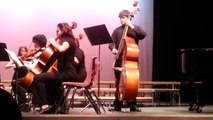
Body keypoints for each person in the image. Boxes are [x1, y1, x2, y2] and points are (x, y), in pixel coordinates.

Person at [30, 22, 78, 114]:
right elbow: (53, 55)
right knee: (46, 79)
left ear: (64, 30)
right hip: (63, 72)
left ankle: (44, 104)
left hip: (68, 73)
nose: (56, 32)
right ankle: (54, 105)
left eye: (57, 30)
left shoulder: (68, 40)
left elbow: (62, 49)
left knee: (38, 78)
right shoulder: (63, 40)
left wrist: (53, 42)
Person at [108, 9, 146, 112]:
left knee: (131, 83)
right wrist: (113, 48)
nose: (121, 20)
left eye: (122, 18)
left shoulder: (135, 28)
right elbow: (111, 43)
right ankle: (118, 104)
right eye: (120, 18)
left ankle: (132, 104)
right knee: (118, 83)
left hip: (130, 60)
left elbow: (143, 35)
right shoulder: (117, 30)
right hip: (119, 59)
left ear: (127, 17)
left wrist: (131, 25)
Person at [6, 34, 47, 112]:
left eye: (34, 42)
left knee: (16, 83)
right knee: (16, 82)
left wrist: (25, 64)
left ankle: (24, 103)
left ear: (38, 42)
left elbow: (36, 67)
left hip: (37, 76)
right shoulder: (39, 52)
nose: (34, 44)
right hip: (34, 74)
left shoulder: (41, 53)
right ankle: (23, 103)